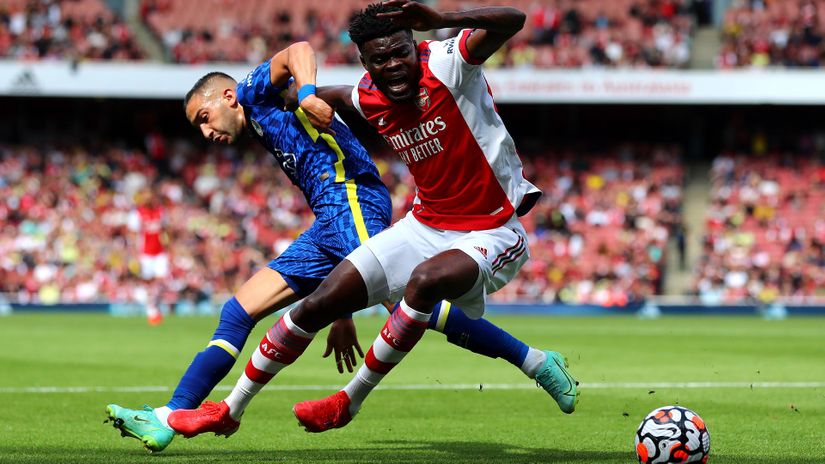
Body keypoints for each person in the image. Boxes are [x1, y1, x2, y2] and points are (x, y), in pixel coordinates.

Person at [106, 38, 572, 453]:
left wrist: (307, 93)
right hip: (328, 220)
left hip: (353, 200)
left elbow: (298, 50)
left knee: (410, 305)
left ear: (227, 97)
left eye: (204, 117)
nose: (206, 132)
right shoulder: (261, 120)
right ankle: (169, 417)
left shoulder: (251, 91)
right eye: (198, 128)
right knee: (238, 311)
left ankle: (535, 362)